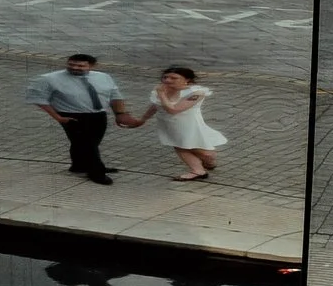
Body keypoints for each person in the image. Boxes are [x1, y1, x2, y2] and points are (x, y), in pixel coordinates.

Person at [27, 50, 124, 186]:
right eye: (71, 64)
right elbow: (39, 99)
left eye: (80, 66)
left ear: (92, 66)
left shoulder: (103, 77)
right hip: (72, 115)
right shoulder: (50, 79)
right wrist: (58, 117)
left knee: (90, 142)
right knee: (88, 144)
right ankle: (97, 172)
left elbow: (115, 95)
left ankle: (79, 166)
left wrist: (120, 114)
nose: (74, 68)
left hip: (98, 114)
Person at [122, 63, 227, 183]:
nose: (167, 80)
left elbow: (173, 109)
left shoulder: (196, 92)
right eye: (165, 77)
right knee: (180, 146)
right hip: (169, 125)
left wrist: (162, 94)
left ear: (187, 79)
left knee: (206, 153)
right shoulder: (162, 91)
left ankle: (208, 162)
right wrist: (142, 119)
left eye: (173, 78)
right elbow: (155, 106)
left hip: (189, 124)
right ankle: (197, 170)